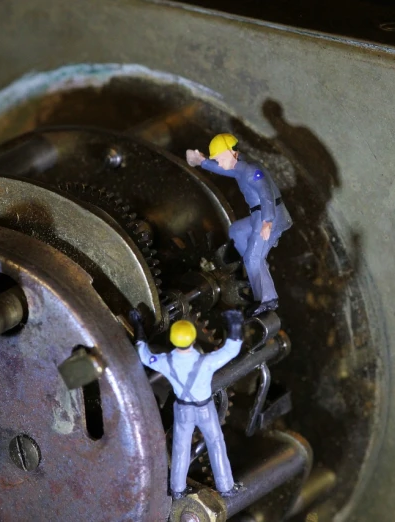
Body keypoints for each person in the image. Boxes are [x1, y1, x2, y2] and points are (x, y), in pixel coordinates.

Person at [128, 308, 245, 499]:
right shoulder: (206, 362)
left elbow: (143, 355)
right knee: (216, 443)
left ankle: (177, 490)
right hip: (205, 408)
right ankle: (226, 487)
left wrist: (138, 325)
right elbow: (231, 350)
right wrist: (235, 326)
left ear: (173, 340)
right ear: (193, 339)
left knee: (180, 448)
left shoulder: (166, 362)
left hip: (183, 410)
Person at [187, 134, 292, 315]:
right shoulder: (239, 163)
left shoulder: (252, 170)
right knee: (236, 231)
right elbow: (226, 170)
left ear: (230, 151)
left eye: (219, 158)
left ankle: (267, 299)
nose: (219, 163)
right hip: (257, 215)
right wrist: (202, 161)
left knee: (253, 258)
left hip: (270, 216)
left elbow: (265, 192)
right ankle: (256, 265)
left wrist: (267, 221)